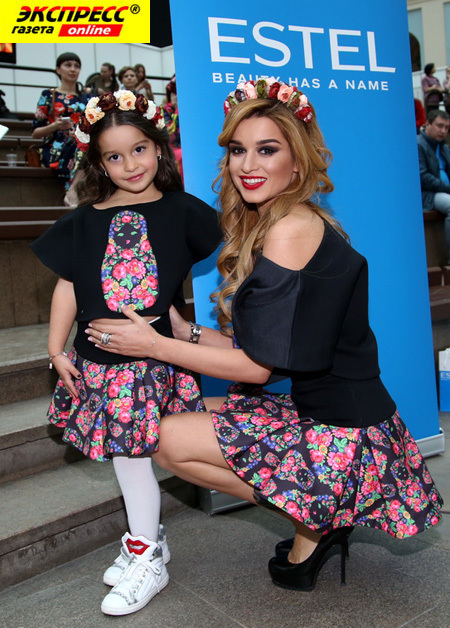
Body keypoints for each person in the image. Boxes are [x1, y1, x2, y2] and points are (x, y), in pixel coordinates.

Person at [87, 78, 443, 593]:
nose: (247, 165)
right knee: (177, 416)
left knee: (163, 438)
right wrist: (185, 331)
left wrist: (155, 346)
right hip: (329, 411)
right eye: (238, 150)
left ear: (297, 162)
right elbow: (269, 356)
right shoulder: (288, 219)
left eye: (267, 150)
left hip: (342, 434)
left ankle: (316, 515)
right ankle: (317, 514)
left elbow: (256, 370)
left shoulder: (288, 229)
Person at [30, 90, 222, 616]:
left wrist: (185, 325)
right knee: (126, 458)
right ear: (99, 162)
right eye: (114, 156)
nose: (130, 164)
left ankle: (147, 554)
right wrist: (55, 348)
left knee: (133, 458)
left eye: (139, 149)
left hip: (151, 362)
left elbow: (228, 255)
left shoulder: (184, 211)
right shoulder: (84, 219)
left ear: (159, 147)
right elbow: (69, 286)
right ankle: (146, 541)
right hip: (99, 362)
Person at [32, 52, 88, 196]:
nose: (73, 69)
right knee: (82, 148)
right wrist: (55, 126)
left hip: (80, 143)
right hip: (55, 147)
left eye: (76, 66)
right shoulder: (48, 95)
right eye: (68, 65)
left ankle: (72, 191)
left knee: (86, 146)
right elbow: (35, 133)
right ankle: (72, 192)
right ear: (58, 69)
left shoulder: (86, 98)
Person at [418, 109, 450, 263]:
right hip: (427, 195)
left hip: (443, 191)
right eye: (440, 126)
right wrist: (447, 188)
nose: (443, 131)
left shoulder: (444, 148)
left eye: (446, 127)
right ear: (428, 124)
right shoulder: (418, 144)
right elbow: (423, 177)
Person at [162, 76, 182, 179]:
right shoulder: (165, 110)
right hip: (174, 149)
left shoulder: (193, 108)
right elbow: (171, 135)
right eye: (174, 91)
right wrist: (177, 110)